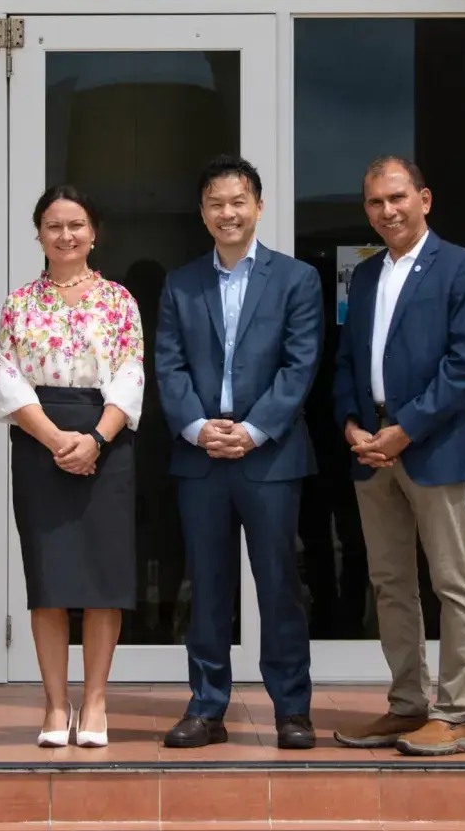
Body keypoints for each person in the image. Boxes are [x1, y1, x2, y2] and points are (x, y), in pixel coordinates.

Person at [155, 156, 323, 750]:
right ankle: (206, 706)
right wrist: (199, 427)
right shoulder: (182, 283)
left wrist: (251, 431)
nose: (228, 213)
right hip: (201, 458)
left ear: (258, 205)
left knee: (280, 585)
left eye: (238, 201)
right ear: (203, 213)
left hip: (269, 458)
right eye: (216, 203)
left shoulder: (297, 279)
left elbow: (300, 366)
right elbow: (168, 367)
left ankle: (292, 710)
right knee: (206, 586)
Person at [331, 156, 465, 757]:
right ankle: (408, 706)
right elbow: (348, 357)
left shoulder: (460, 267)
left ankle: (458, 714)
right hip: (370, 450)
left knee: (452, 584)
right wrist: (351, 423)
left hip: (431, 449)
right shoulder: (367, 276)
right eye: (375, 203)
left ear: (424, 198)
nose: (387, 211)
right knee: (390, 584)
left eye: (397, 198)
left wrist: (407, 428)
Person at [0, 185, 145, 749]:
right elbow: (5, 376)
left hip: (105, 440)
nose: (66, 235)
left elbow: (131, 374)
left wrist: (95, 440)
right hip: (40, 439)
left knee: (105, 578)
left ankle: (96, 701)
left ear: (94, 231)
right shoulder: (20, 302)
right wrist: (57, 439)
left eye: (76, 224)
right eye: (54, 226)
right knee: (49, 580)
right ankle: (56, 705)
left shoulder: (119, 300)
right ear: (38, 234)